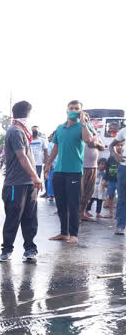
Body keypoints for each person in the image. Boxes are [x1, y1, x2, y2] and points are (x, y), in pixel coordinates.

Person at [0, 101, 44, 263]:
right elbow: (21, 156)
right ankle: (6, 250)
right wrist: (35, 176)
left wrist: (33, 179)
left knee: (30, 217)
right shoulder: (15, 131)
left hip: (28, 183)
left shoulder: (23, 131)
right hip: (15, 184)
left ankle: (30, 249)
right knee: (13, 217)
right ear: (27, 114)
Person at [44, 100, 96, 245]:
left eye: (77, 109)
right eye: (71, 108)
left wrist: (84, 122)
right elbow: (55, 148)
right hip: (59, 171)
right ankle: (63, 233)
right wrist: (48, 164)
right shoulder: (60, 128)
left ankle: (74, 234)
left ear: (81, 111)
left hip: (74, 172)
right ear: (66, 110)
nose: (73, 110)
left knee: (73, 204)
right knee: (60, 204)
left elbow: (88, 140)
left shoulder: (83, 126)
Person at [79, 133, 106, 222]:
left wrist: (96, 144)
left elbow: (103, 147)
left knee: (89, 193)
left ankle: (83, 214)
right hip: (81, 167)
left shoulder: (96, 134)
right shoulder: (80, 133)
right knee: (80, 192)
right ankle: (77, 214)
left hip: (93, 167)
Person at [108, 126, 126, 235]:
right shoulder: (124, 131)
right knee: (122, 198)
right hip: (124, 167)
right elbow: (111, 145)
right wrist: (115, 155)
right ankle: (120, 225)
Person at [104, 144, 120, 219]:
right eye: (117, 145)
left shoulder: (123, 158)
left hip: (120, 181)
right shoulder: (110, 158)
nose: (119, 147)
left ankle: (119, 214)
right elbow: (107, 170)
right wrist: (105, 179)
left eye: (121, 145)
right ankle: (111, 213)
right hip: (111, 180)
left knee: (121, 198)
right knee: (110, 196)